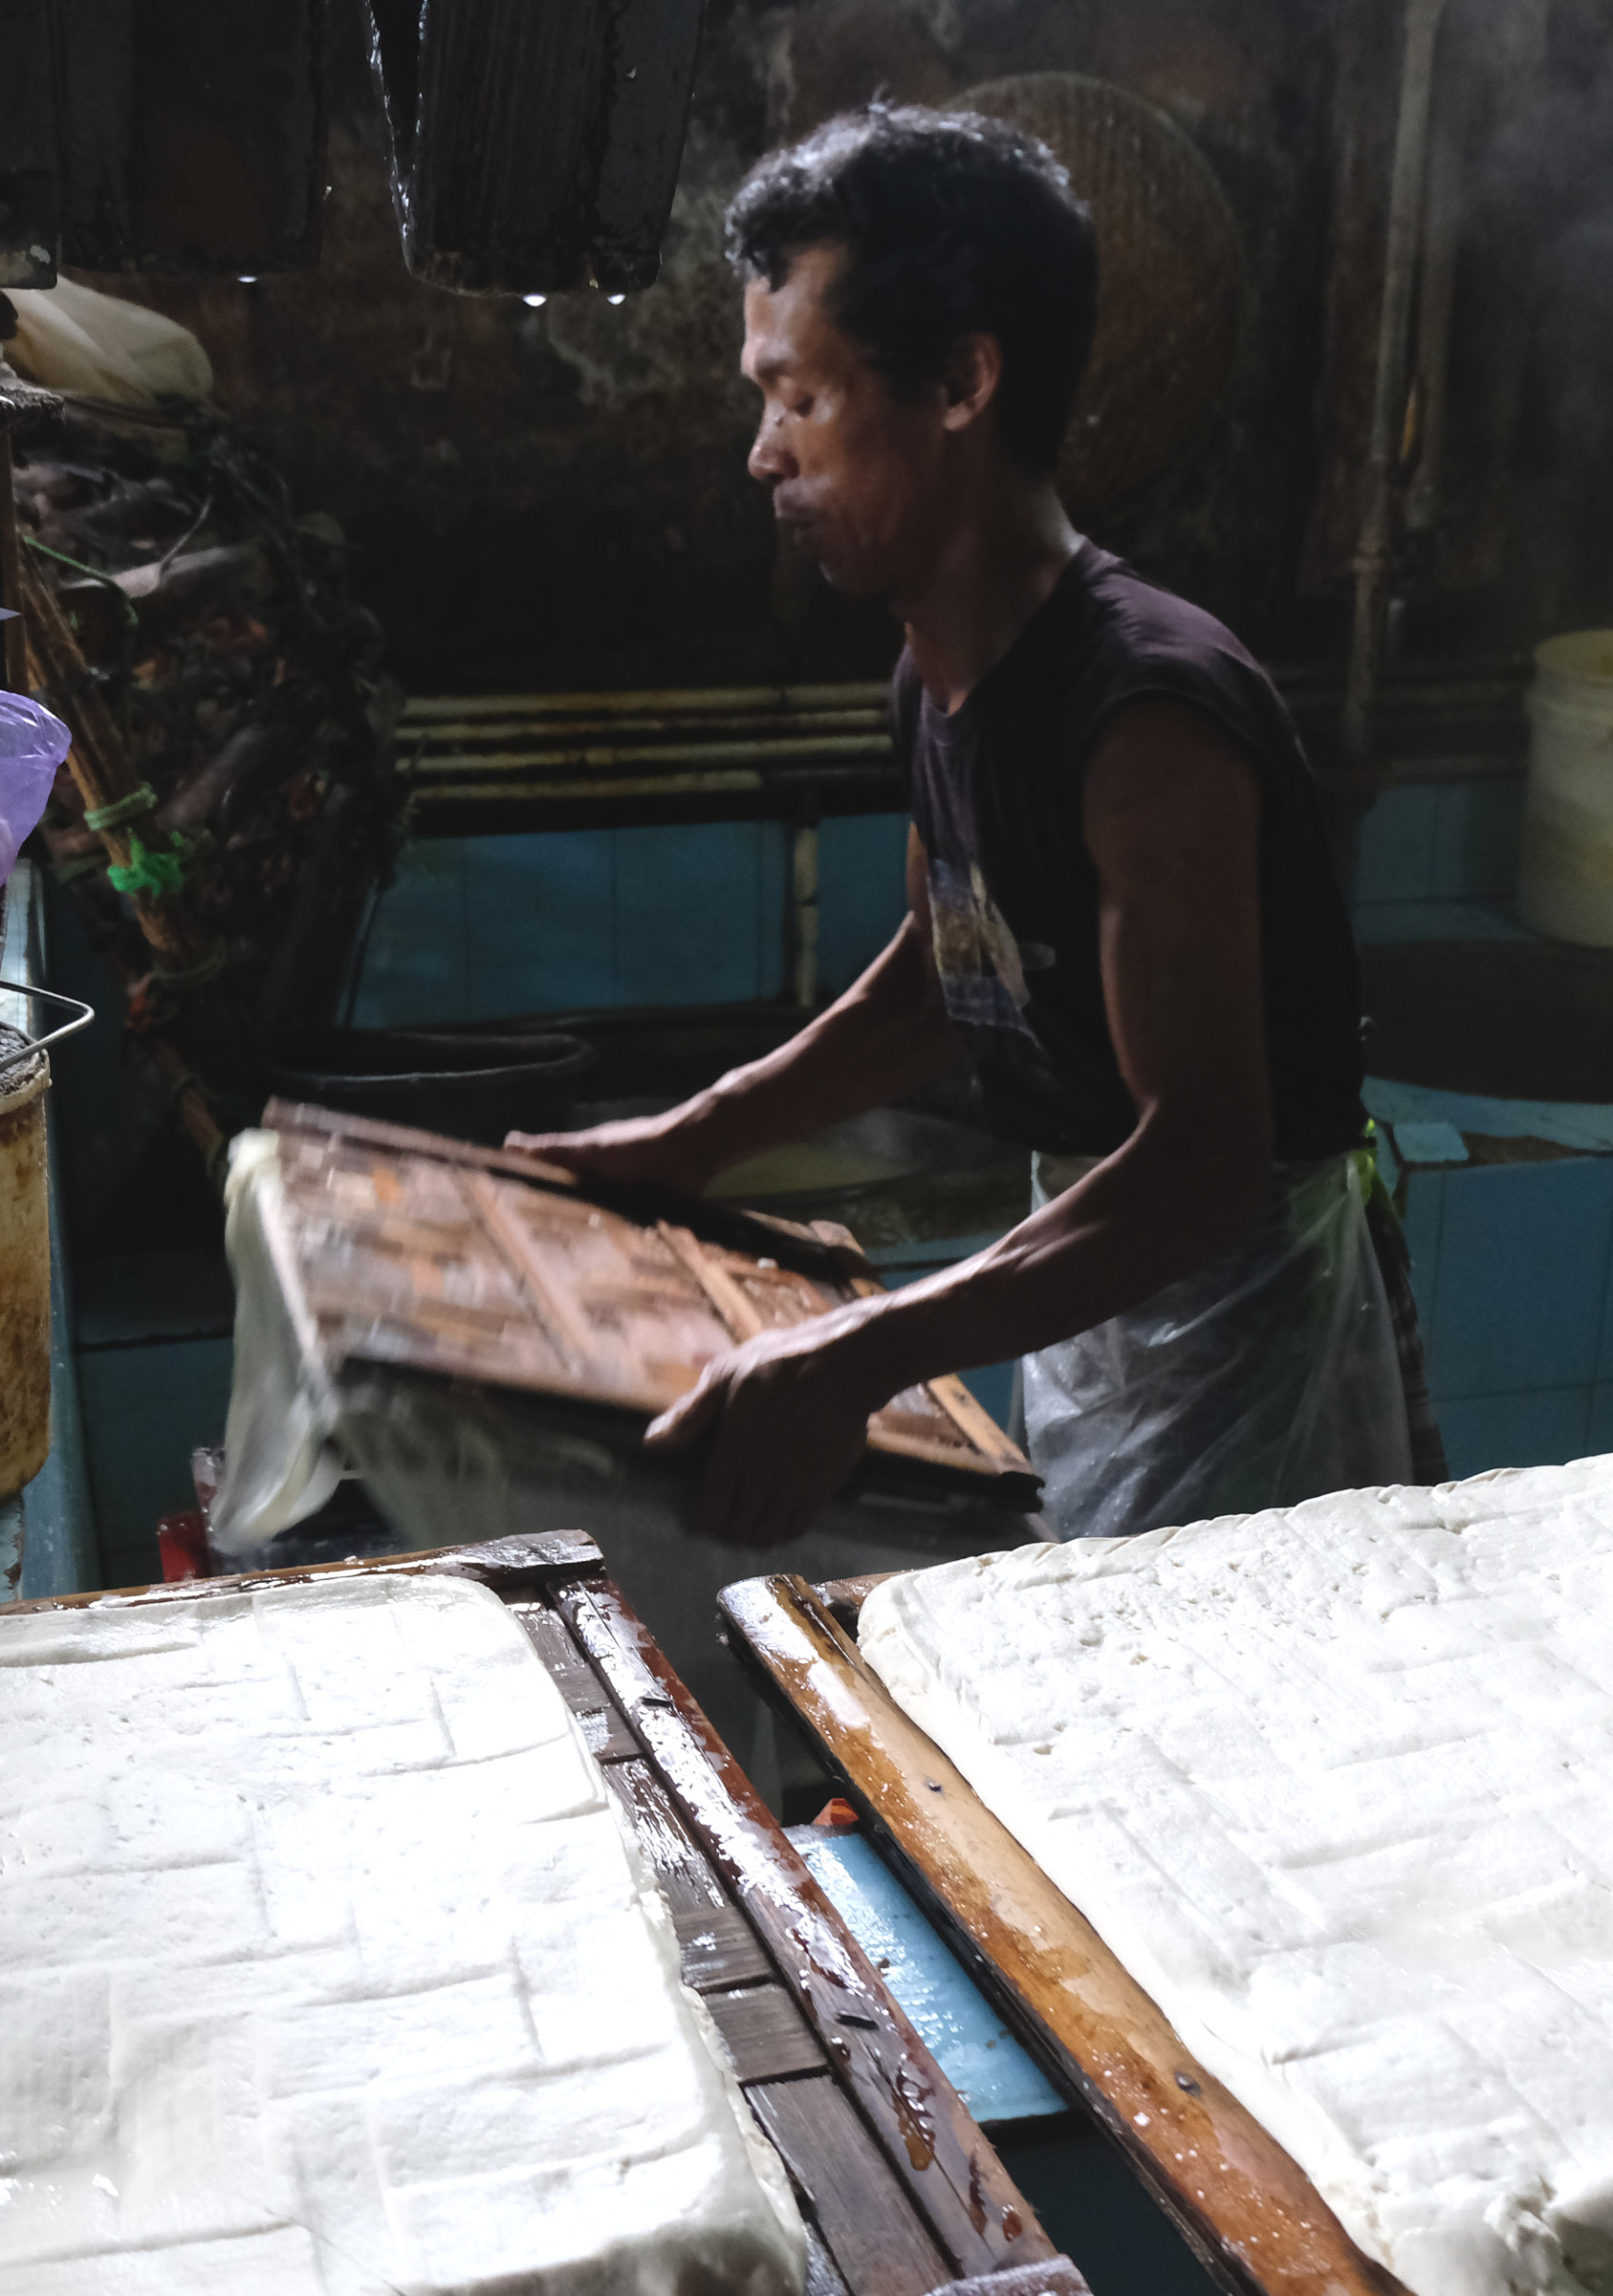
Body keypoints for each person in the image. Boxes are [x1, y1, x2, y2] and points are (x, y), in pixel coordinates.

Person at [511, 102, 1442, 1547]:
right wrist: (686, 1144)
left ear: (960, 382)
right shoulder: (941, 675)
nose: (763, 455)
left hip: (1249, 1316)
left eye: (797, 399)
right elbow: (951, 972)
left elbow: (1202, 1161)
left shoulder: (1147, 718)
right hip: (1113, 1289)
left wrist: (858, 1353)